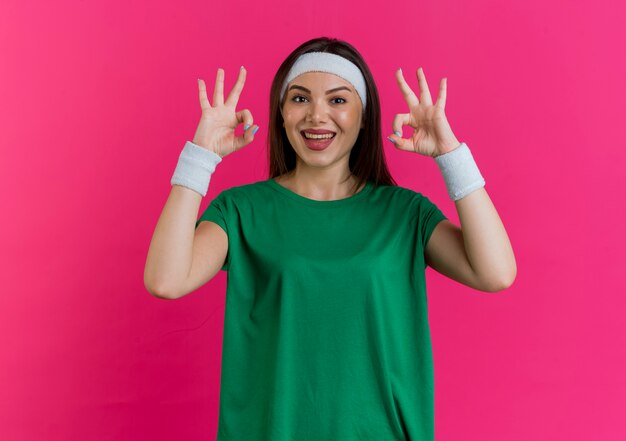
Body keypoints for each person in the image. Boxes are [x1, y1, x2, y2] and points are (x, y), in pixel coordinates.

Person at [144, 37, 516, 441]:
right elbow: (166, 279)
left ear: (364, 116)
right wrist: (201, 156)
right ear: (282, 114)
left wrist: (450, 153)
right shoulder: (241, 210)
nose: (316, 115)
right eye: (300, 99)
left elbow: (494, 273)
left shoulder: (404, 213)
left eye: (338, 100)